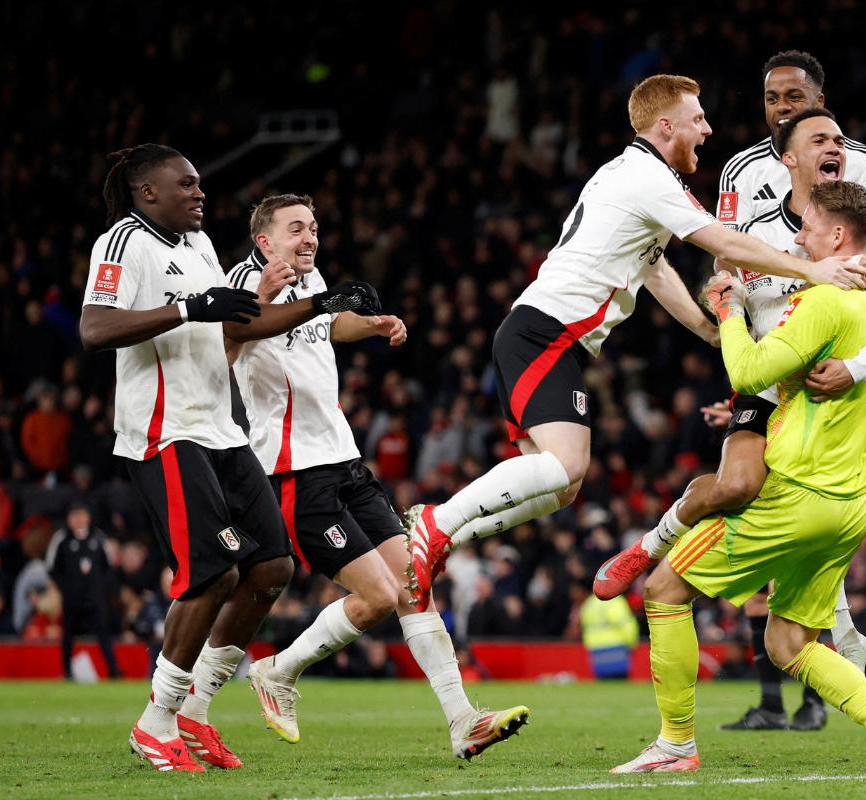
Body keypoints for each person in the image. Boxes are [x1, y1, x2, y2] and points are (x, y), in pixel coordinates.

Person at [598, 52, 866, 729]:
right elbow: (725, 266)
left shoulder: (859, 199)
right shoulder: (750, 194)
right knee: (742, 487)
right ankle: (653, 546)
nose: (787, 109)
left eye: (803, 101)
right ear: (787, 150)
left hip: (848, 372)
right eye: (775, 100)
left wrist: (852, 360)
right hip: (778, 373)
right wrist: (746, 313)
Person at [405, 74, 866, 611]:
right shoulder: (649, 178)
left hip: (547, 334)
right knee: (565, 467)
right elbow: (722, 241)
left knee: (559, 490)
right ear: (666, 125)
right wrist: (814, 271)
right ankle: (435, 523)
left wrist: (710, 329)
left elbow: (655, 270)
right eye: (698, 120)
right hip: (547, 331)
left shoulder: (628, 176)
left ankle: (444, 541)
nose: (708, 129)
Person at [79, 144, 381, 773]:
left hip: (222, 429)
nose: (199, 192)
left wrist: (322, 305)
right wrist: (192, 307)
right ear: (146, 192)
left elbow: (239, 324)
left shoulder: (199, 248)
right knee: (213, 572)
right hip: (167, 433)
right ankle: (156, 722)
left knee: (272, 568)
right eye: (185, 184)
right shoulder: (121, 242)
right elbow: (96, 328)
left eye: (198, 183)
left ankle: (194, 714)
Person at [612, 181, 866, 774]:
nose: (797, 236)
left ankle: (676, 744)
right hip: (847, 509)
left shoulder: (824, 303)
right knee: (789, 644)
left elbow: (747, 367)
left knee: (663, 590)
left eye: (806, 225)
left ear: (839, 236)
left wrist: (729, 312)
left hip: (792, 496)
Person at [227, 194, 528, 760]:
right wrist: (280, 303)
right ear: (264, 241)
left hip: (345, 460)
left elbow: (322, 326)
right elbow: (229, 340)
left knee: (414, 582)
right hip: (296, 472)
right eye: (295, 229)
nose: (309, 237)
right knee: (378, 595)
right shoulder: (245, 284)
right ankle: (276, 670)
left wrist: (367, 324)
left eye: (314, 227)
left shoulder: (308, 289)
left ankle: (463, 721)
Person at [46, 503, 120, 679]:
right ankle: (67, 672)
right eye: (75, 515)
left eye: (82, 514)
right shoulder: (62, 538)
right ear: (69, 518)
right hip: (71, 599)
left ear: (88, 517)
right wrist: (66, 587)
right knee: (68, 636)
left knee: (103, 634)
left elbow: (108, 567)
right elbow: (52, 568)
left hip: (95, 598)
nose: (79, 519)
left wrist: (100, 587)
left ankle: (113, 671)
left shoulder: (98, 537)